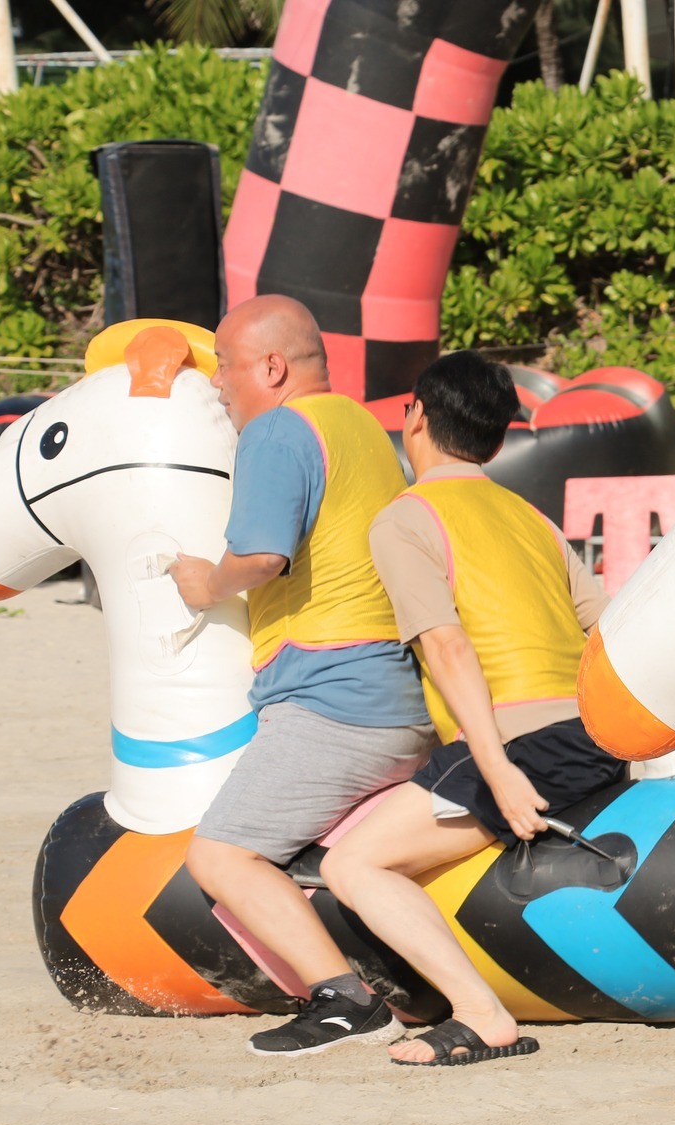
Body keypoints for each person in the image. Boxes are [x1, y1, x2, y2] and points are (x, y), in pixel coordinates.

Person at [320, 351, 621, 1066]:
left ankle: (482, 1015)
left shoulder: (405, 519)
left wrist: (497, 770)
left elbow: (448, 647)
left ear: (415, 418)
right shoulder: (533, 517)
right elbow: (608, 630)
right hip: (592, 737)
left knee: (353, 866)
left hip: (520, 745)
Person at [172, 296, 433, 1058]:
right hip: (398, 695)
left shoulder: (277, 430)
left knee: (219, 854)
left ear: (272, 367)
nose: (217, 382)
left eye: (224, 364)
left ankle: (345, 999)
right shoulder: (363, 429)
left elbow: (261, 556)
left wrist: (205, 585)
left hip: (334, 701)